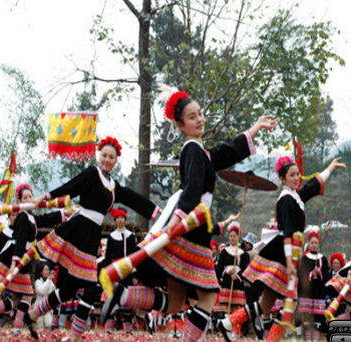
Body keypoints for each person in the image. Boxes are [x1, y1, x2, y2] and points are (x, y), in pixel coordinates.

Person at [101, 90, 279, 342]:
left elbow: (227, 151)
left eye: (201, 114)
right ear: (180, 124)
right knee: (207, 296)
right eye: (192, 117)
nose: (200, 120)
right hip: (192, 224)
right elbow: (193, 190)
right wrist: (176, 223)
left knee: (175, 304)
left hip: (188, 222)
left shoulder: (199, 151)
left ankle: (123, 296)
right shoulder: (193, 149)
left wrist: (256, 127)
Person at [27, 136, 161, 341]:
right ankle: (74, 335)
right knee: (90, 287)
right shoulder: (92, 173)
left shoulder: (114, 187)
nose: (107, 160)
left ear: (116, 160)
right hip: (80, 229)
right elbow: (70, 187)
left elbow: (134, 198)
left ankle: (33, 314)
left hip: (92, 235)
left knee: (71, 287)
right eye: (104, 155)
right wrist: (45, 197)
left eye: (111, 157)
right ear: (100, 156)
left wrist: (157, 212)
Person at [219, 155, 345, 342]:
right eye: (292, 175)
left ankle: (228, 323)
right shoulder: (285, 200)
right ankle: (270, 339)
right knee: (291, 301)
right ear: (283, 179)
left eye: (297, 174)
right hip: (282, 253)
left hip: (288, 251)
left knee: (267, 303)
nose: (297, 178)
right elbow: (287, 231)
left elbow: (311, 186)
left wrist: (330, 168)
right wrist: (289, 260)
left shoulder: (295, 197)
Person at [0, 175, 67, 336]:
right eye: (25, 197)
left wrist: (66, 213)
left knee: (16, 299)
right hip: (16, 256)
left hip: (22, 258)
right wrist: (15, 263)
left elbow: (46, 218)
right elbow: (20, 240)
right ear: (20, 201)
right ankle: (16, 326)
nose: (29, 199)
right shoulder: (22, 216)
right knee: (28, 295)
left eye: (31, 196)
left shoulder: (31, 217)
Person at [99, 207, 137, 335]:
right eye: (118, 218)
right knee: (111, 297)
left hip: (127, 270)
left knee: (126, 298)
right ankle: (109, 330)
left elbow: (134, 256)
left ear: (125, 219)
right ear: (115, 220)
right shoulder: (111, 237)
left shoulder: (131, 237)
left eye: (122, 218)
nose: (120, 220)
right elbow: (108, 257)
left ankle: (129, 331)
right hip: (115, 271)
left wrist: (134, 273)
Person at [216, 223, 249, 339]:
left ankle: (236, 330)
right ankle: (227, 330)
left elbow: (245, 269)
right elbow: (219, 267)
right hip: (227, 281)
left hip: (237, 282)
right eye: (230, 236)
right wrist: (227, 271)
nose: (232, 238)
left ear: (238, 237)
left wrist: (238, 275)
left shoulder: (243, 254)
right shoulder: (225, 252)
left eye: (234, 236)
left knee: (236, 308)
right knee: (228, 307)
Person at [297, 231, 330, 342]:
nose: (314, 245)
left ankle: (315, 339)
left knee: (317, 317)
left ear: (318, 244)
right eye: (312, 243)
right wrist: (311, 274)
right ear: (309, 244)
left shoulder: (323, 259)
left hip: (319, 292)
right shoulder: (305, 258)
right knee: (307, 317)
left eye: (316, 243)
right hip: (307, 292)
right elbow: (301, 275)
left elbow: (326, 277)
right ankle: (308, 339)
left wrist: (319, 273)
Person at [34, 261, 56, 330]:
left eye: (48, 270)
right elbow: (42, 291)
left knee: (49, 324)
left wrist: (51, 281)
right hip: (38, 307)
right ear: (41, 272)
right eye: (46, 270)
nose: (48, 272)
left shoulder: (49, 281)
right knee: (39, 327)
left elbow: (53, 292)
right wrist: (49, 280)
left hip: (47, 307)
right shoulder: (37, 282)